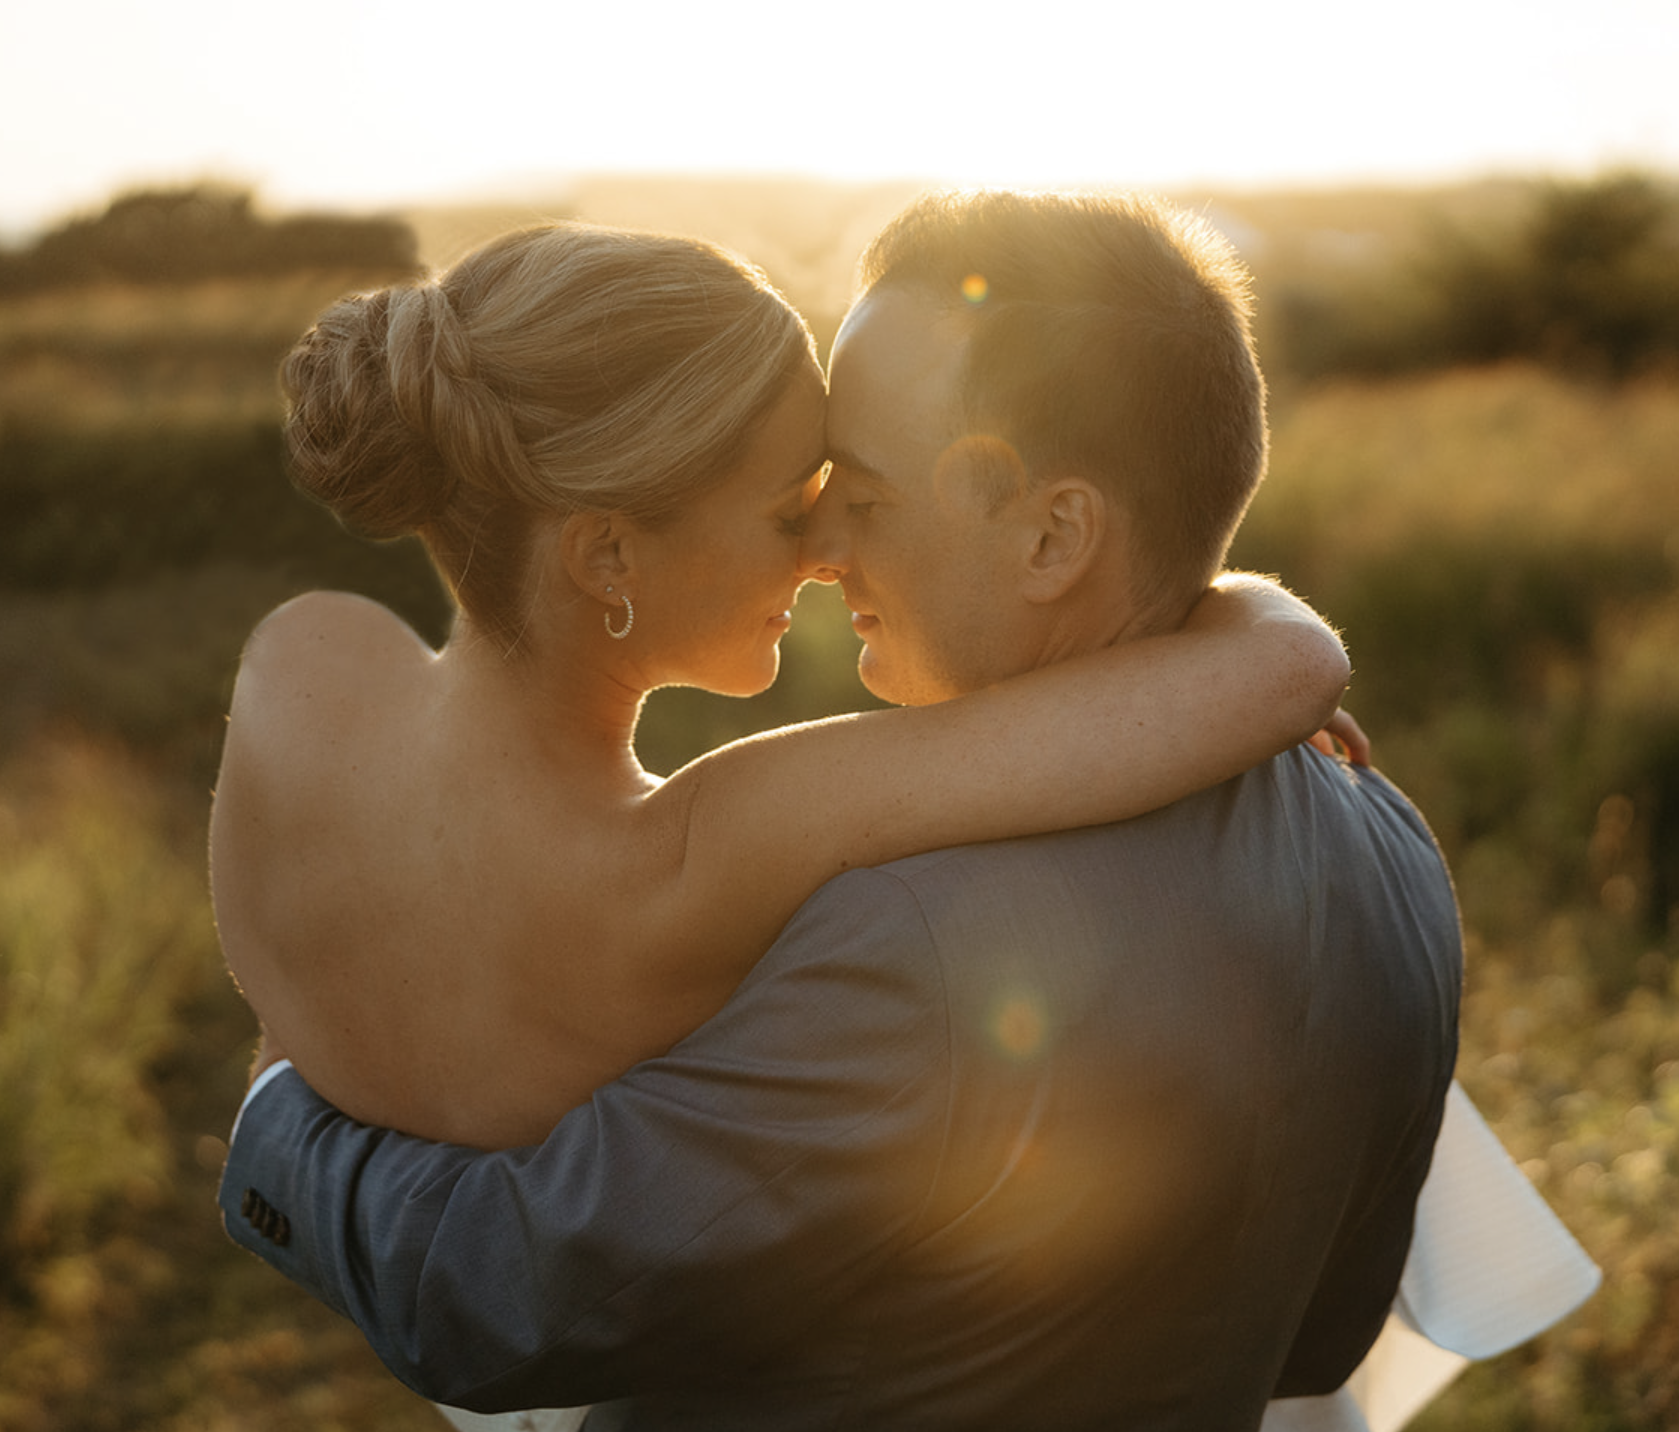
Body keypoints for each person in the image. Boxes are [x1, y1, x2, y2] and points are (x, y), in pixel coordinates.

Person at [219, 193, 1465, 1431]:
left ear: (1052, 537)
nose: (822, 546)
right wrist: (1255, 620)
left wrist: (280, 1105)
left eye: (862, 496)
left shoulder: (910, 945)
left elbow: (489, 1291)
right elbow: (1324, 1336)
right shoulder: (1383, 843)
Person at [213, 220, 1355, 1153]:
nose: (818, 551)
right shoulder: (700, 851)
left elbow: (296, 1036)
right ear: (607, 555)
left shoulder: (294, 675)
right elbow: (1292, 668)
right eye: (782, 511)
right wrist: (1221, 607)